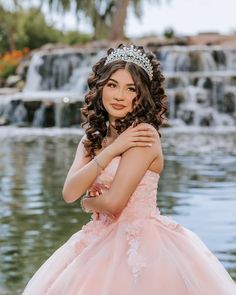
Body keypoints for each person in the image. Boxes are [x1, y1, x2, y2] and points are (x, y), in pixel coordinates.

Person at [22, 44, 236, 295]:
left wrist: (87, 204)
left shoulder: (144, 136)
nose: (119, 95)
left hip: (143, 245)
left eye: (130, 88)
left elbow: (113, 203)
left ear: (141, 95)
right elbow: (69, 192)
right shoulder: (91, 139)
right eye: (112, 85)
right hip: (96, 238)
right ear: (101, 87)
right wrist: (112, 149)